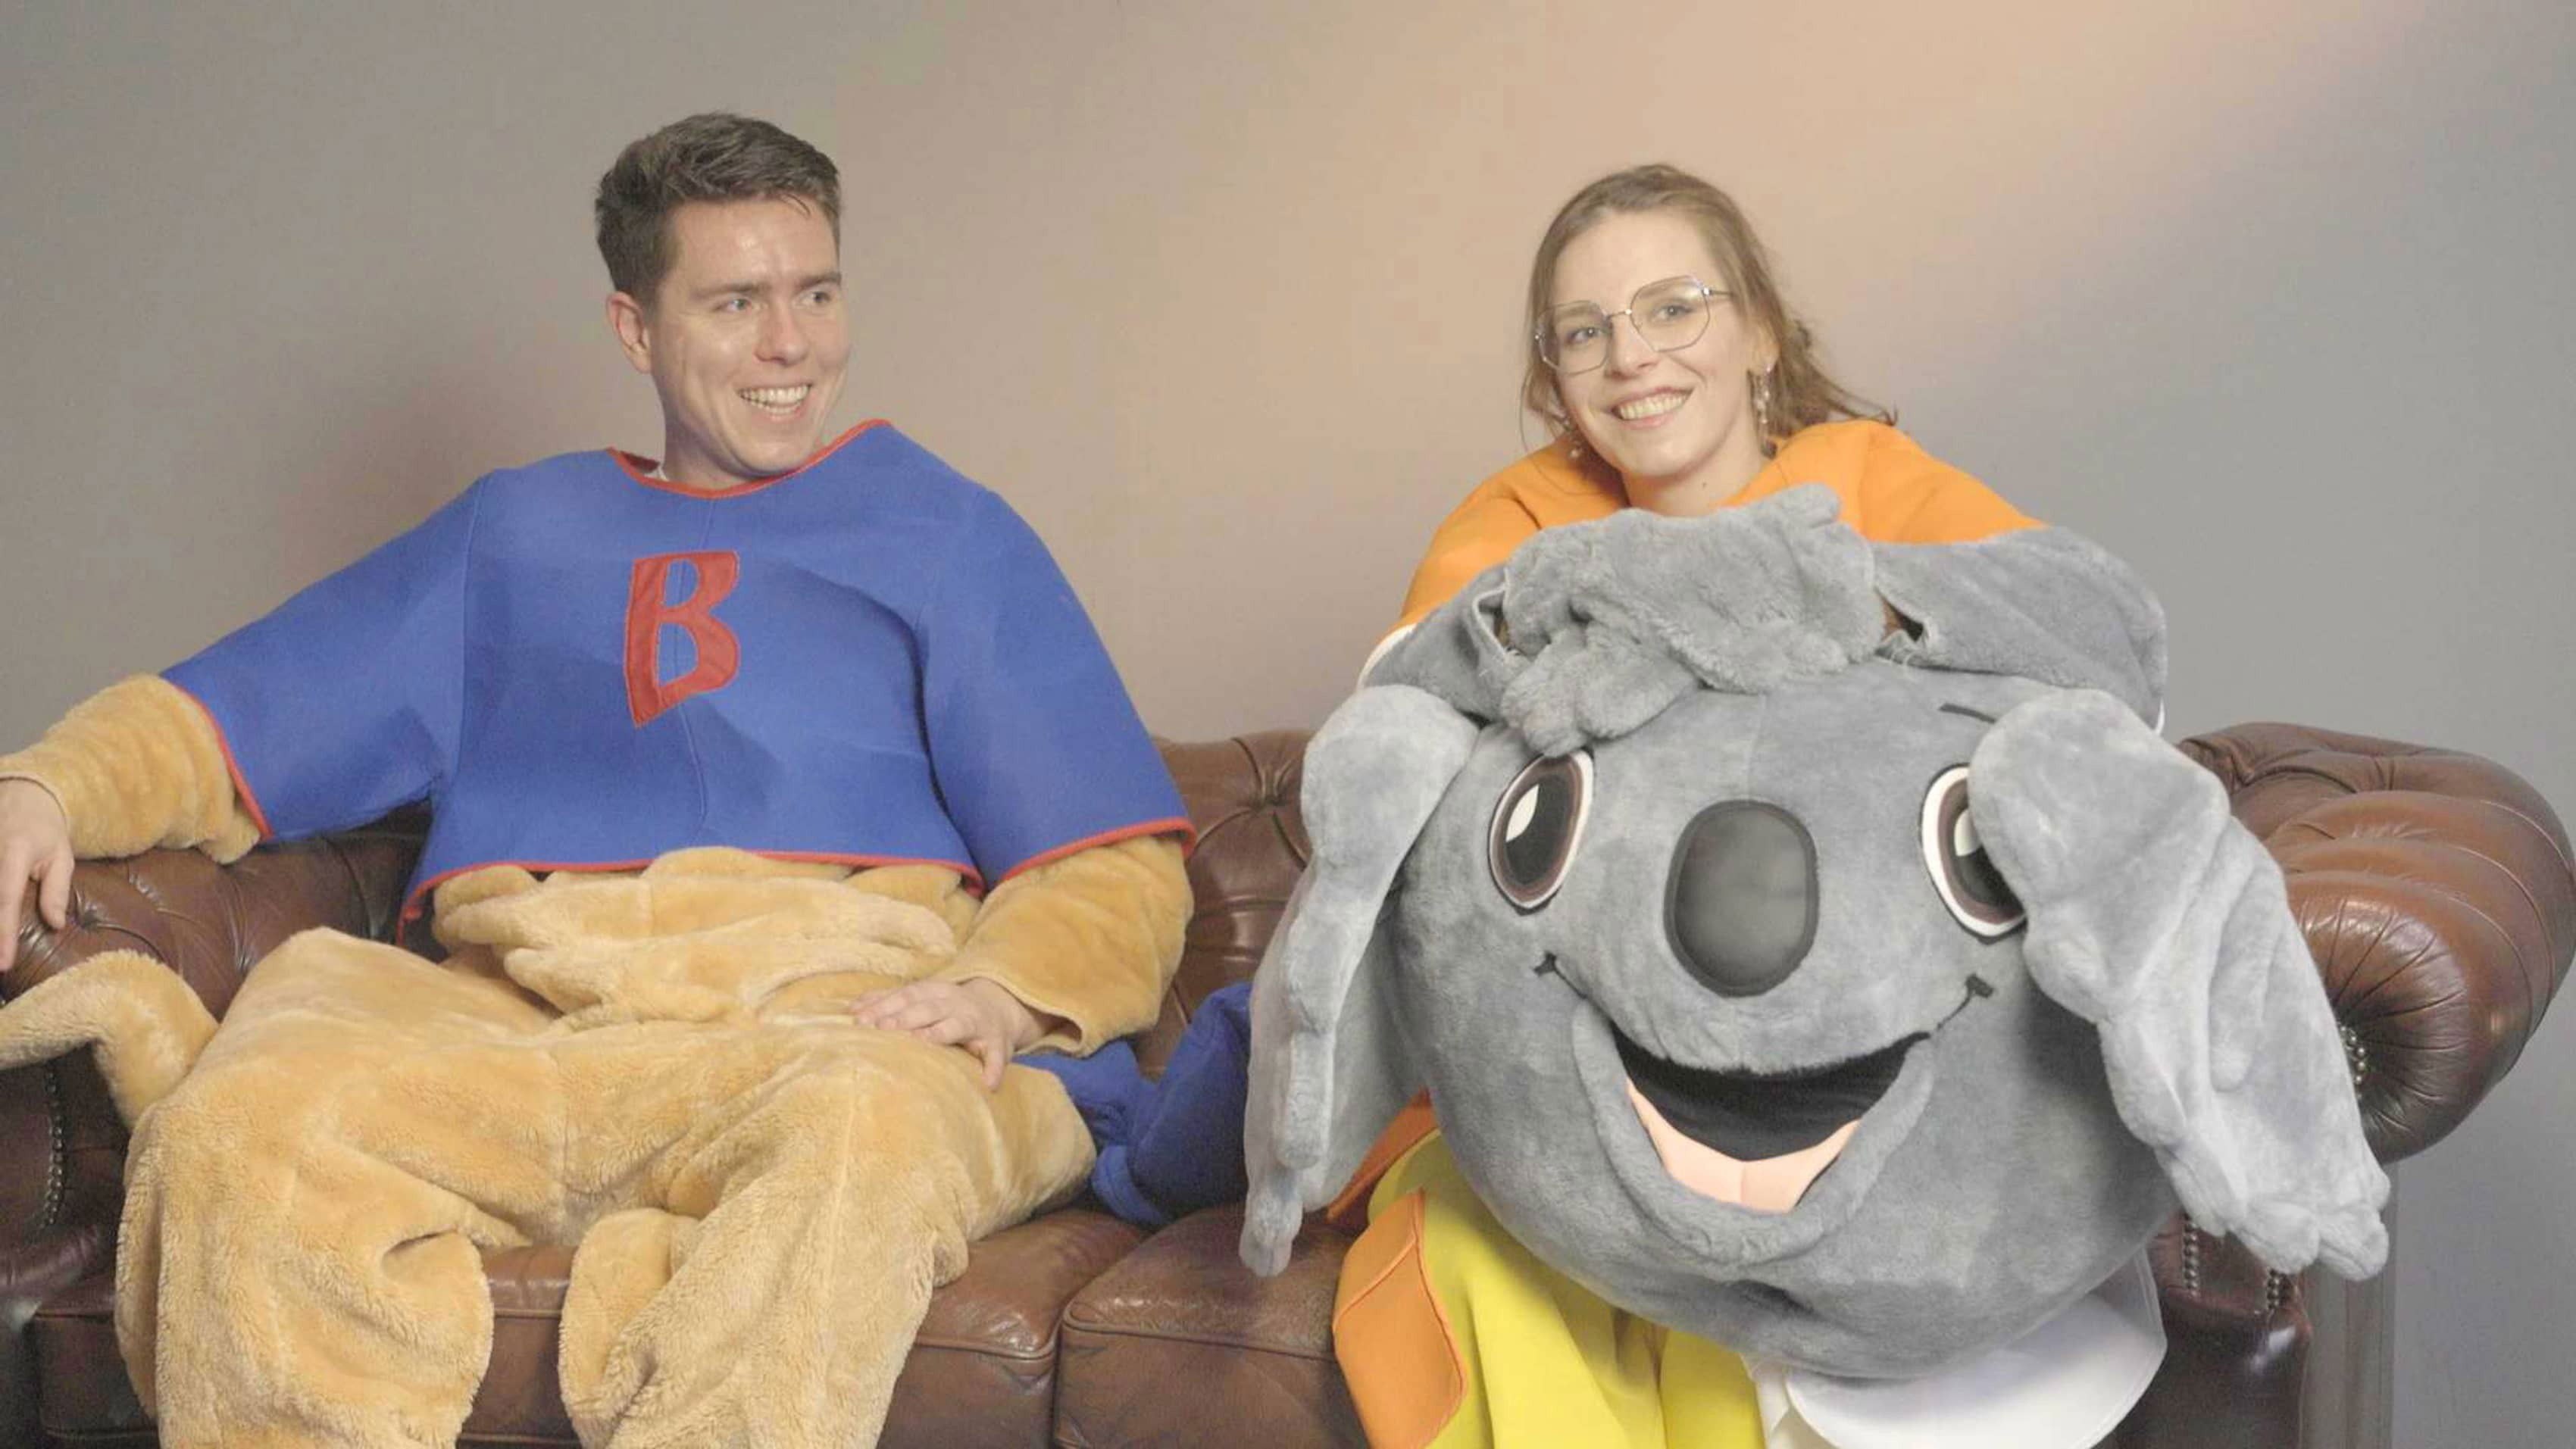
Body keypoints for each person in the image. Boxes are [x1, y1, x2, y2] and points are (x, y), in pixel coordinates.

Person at [0, 114, 1192, 1447]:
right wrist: (46, 787)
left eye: (816, 294)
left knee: (872, 1134)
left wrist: (1000, 990)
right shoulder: (516, 531)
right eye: (736, 303)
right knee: (241, 1128)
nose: (791, 344)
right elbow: (238, 715)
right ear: (635, 328)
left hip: (827, 1023)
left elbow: (1109, 857)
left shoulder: (948, 529)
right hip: (527, 1025)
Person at [1336, 164, 2159, 1449]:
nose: (1632, 357)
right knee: (1490, 1249)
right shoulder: (1527, 512)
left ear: (1761, 330)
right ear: (1553, 375)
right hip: (1581, 1062)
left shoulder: (1862, 478)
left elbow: (2078, 629)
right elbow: (1407, 715)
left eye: (1674, 308)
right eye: (1584, 332)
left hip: (1848, 1039)